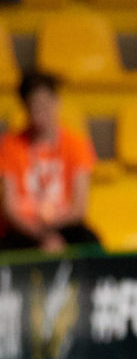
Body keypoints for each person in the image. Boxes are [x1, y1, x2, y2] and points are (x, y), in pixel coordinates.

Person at [0, 71, 98, 253]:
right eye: (34, 106)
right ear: (25, 108)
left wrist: (51, 232)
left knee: (91, 242)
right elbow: (9, 208)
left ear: (56, 102)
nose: (40, 112)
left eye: (44, 104)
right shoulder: (10, 146)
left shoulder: (77, 145)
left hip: (64, 226)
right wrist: (41, 235)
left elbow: (79, 209)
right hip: (24, 230)